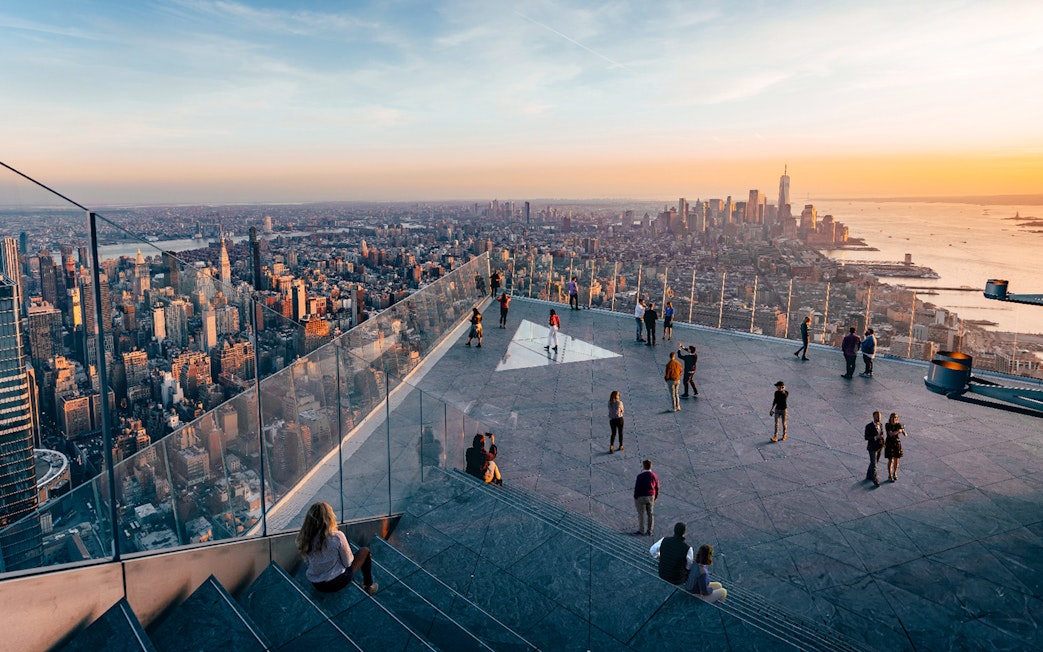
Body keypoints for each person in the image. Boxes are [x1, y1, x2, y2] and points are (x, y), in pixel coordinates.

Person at [296, 502, 378, 595]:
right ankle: (369, 586)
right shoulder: (336, 537)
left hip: (316, 583)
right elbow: (347, 563)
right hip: (336, 583)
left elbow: (307, 562)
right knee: (365, 551)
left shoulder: (306, 537)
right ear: (330, 518)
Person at [633, 459, 659, 536]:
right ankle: (650, 530)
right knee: (650, 514)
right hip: (651, 496)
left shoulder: (640, 476)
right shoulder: (654, 476)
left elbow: (637, 487)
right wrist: (655, 497)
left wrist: (636, 496)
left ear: (644, 466)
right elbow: (657, 487)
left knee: (641, 514)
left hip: (641, 496)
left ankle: (641, 530)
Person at [884, 412, 907, 482]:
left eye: (895, 418)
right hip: (889, 443)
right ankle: (890, 475)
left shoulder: (899, 425)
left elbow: (905, 435)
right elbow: (891, 434)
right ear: (890, 418)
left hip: (897, 444)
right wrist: (898, 431)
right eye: (892, 417)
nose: (894, 419)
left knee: (897, 460)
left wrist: (903, 431)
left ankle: (895, 473)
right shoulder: (887, 425)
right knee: (890, 460)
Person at [864, 411, 884, 487]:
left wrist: (883, 443)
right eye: (877, 416)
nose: (878, 418)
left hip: (879, 447)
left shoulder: (880, 425)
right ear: (873, 417)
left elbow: (881, 435)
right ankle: (875, 479)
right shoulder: (869, 426)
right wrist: (876, 437)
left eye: (879, 416)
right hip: (872, 448)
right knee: (874, 464)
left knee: (874, 462)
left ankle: (869, 475)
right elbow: (866, 437)